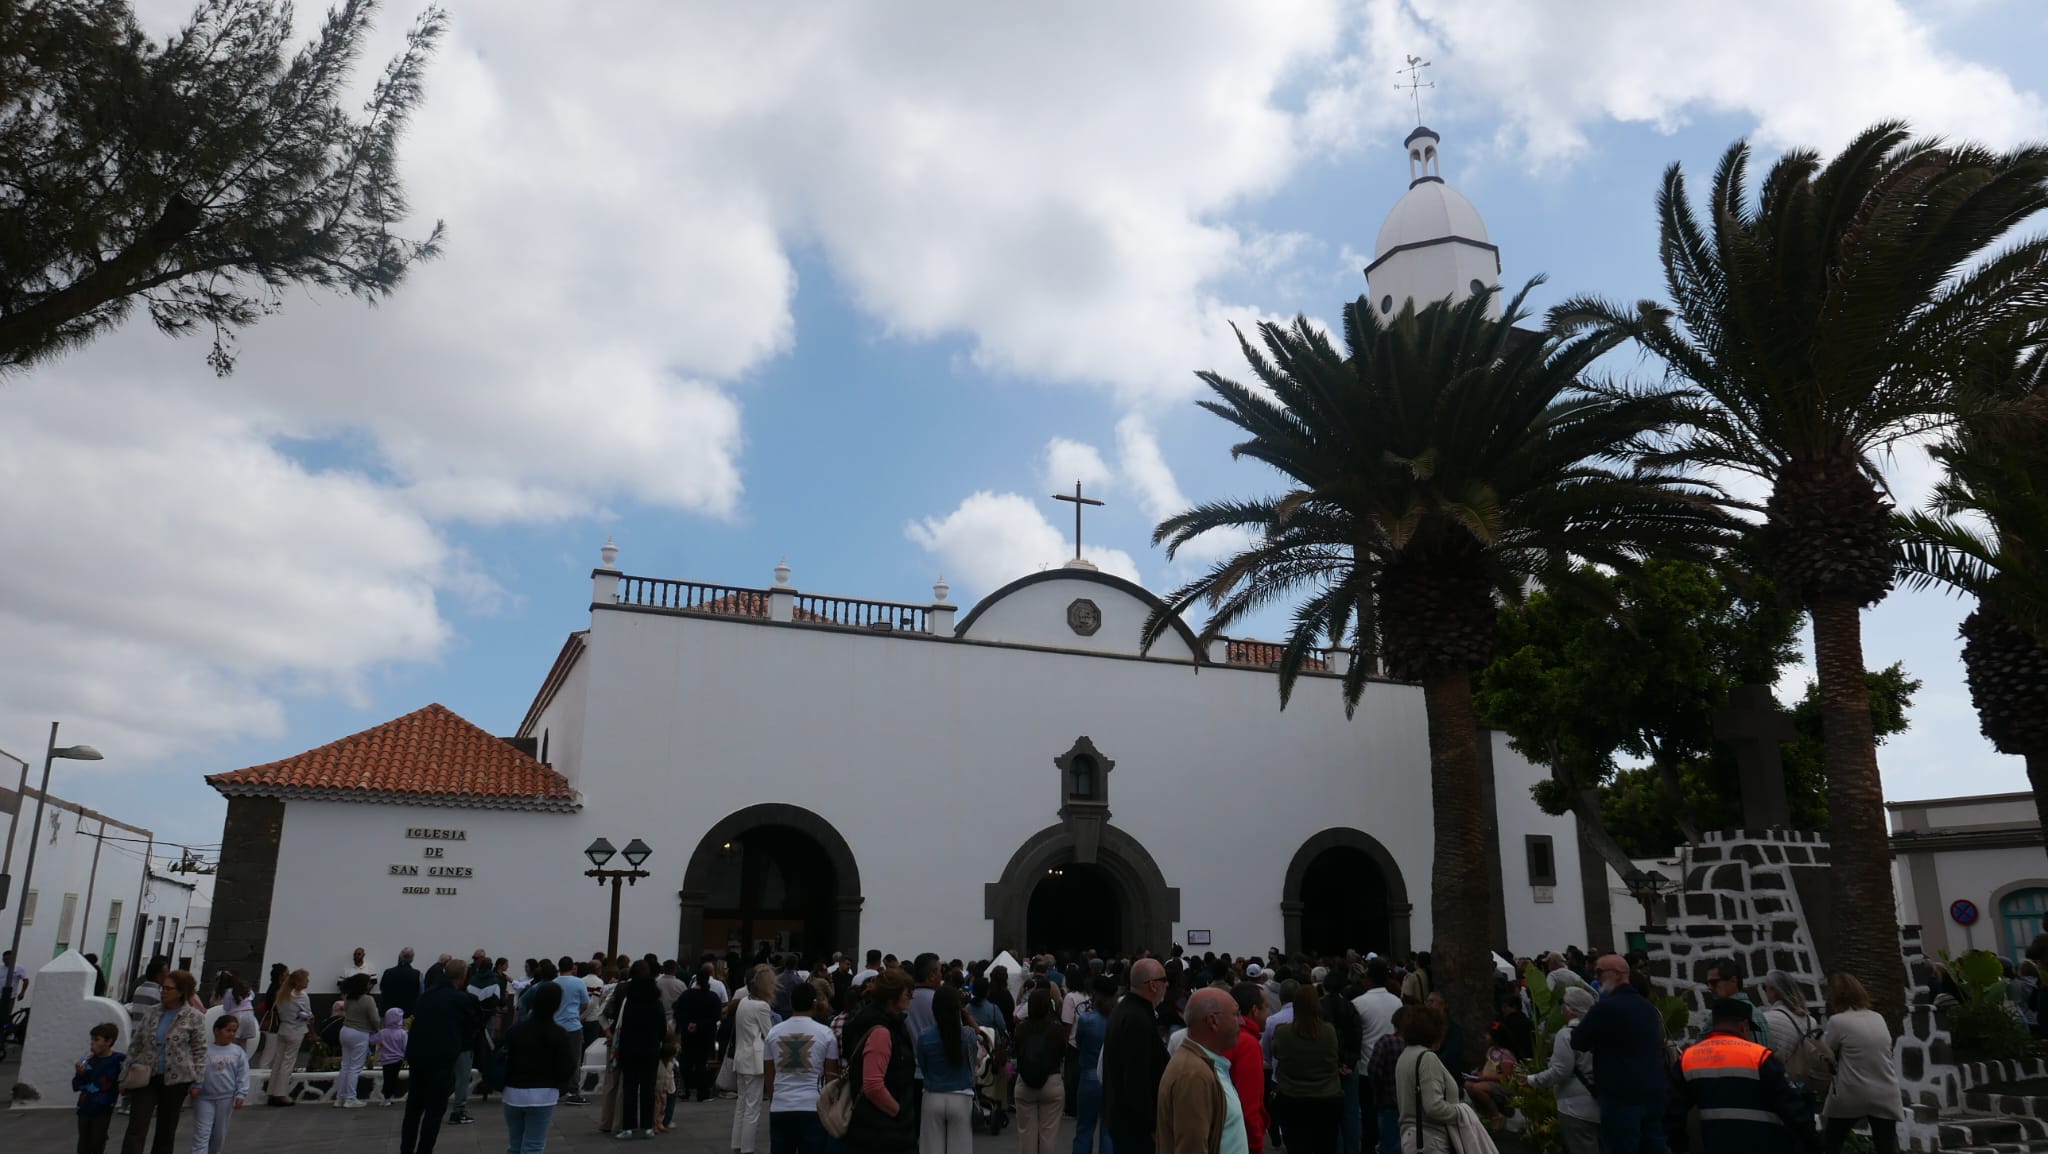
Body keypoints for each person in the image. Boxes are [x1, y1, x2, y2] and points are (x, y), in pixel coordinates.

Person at [1678, 998, 1813, 1153]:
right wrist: (1813, 1143)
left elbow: (1673, 1111)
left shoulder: (1688, 1058)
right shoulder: (1760, 1057)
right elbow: (1793, 1108)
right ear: (1743, 1026)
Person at [1569, 954, 1668, 1154]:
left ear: (1617, 974)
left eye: (1599, 972)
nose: (1595, 977)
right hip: (1652, 1092)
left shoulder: (1605, 1008)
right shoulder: (1648, 1008)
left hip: (1620, 1095)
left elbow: (1577, 1040)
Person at [120, 969, 207, 1154]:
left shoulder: (194, 1017)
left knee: (166, 1128)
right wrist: (125, 1072)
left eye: (169, 989)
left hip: (176, 1079)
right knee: (137, 1124)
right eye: (163, 988)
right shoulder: (152, 1012)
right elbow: (136, 1044)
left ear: (181, 992)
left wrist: (198, 1080)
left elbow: (199, 1050)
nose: (163, 992)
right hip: (146, 1075)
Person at [1155, 987, 1247, 1154]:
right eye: (1236, 1014)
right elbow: (1191, 1148)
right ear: (1213, 1021)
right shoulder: (1193, 1075)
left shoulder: (1203, 1065)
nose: (1242, 1022)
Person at [1820, 973, 1902, 1154]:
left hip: (1853, 1091)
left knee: (1832, 1141)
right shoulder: (1877, 1017)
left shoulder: (1837, 1021)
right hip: (1886, 1090)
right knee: (1886, 1144)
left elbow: (1826, 1052)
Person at [401, 960, 475, 1154]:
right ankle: (424, 1150)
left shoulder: (426, 996)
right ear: (463, 976)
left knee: (414, 1108)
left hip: (418, 1056)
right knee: (434, 1110)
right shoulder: (460, 998)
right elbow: (470, 1028)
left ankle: (406, 1149)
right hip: (441, 1059)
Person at [504, 980, 583, 1154]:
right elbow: (567, 1065)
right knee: (533, 1146)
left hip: (513, 1092)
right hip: (543, 1094)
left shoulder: (516, 1030)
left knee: (514, 1145)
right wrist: (560, 1086)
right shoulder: (558, 1033)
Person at [845, 969, 918, 1154]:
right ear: (893, 996)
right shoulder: (881, 1031)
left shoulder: (879, 1022)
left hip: (878, 1127)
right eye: (907, 992)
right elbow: (873, 1085)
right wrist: (899, 1113)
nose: (911, 997)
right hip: (882, 1130)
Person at [1103, 958, 1170, 1154]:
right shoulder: (1136, 1018)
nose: (1167, 985)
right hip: (1134, 1126)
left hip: (1123, 1118)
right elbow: (1136, 1078)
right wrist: (1150, 1125)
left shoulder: (1126, 1010)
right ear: (1153, 985)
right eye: (1164, 980)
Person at [765, 981, 839, 1154]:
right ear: (815, 1003)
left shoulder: (773, 1033)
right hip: (813, 1106)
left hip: (781, 1106)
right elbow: (831, 1077)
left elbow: (769, 1075)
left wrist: (774, 1100)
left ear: (791, 1003)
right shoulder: (826, 1034)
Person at [1525, 986, 1599, 1154]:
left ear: (1571, 1010)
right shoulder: (1601, 1030)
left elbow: (1560, 1071)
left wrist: (1532, 1079)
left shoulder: (1566, 1034)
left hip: (1574, 1106)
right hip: (1601, 1100)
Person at [1270, 983, 1341, 1154]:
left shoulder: (1283, 1032)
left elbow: (1276, 1053)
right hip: (1326, 1097)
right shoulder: (1329, 1031)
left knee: (1296, 1146)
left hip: (1292, 1097)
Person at [915, 984, 979, 1154]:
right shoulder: (968, 1035)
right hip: (961, 1097)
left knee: (930, 1148)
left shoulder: (925, 1036)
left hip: (933, 1095)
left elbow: (923, 1065)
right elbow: (973, 1061)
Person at [612, 961, 672, 1140]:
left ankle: (628, 1127)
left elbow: (623, 1026)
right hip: (651, 1049)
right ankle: (648, 1126)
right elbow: (663, 1029)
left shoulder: (630, 1002)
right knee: (648, 1088)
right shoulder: (656, 1003)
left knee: (629, 1088)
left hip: (630, 1049)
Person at [1393, 1004, 1457, 1154]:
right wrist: (1461, 1111)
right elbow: (1433, 1106)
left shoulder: (1406, 1055)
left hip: (1413, 1138)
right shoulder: (1427, 1058)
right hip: (1430, 1139)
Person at [448, 959, 503, 1125]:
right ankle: (458, 1110)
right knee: (462, 1076)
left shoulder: (470, 984)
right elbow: (494, 1001)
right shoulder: (493, 982)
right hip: (466, 1040)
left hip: (446, 1041)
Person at [732, 964, 777, 1154]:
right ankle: (747, 1148)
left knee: (742, 1106)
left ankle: (738, 1145)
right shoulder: (762, 1006)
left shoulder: (743, 1002)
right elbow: (770, 1035)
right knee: (753, 1108)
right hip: (754, 1059)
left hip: (741, 1057)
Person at [188, 1016, 251, 1154]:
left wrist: (241, 1093)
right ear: (217, 1031)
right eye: (228, 1030)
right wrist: (193, 1085)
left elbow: (243, 1074)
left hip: (226, 1099)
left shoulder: (238, 1051)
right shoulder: (204, 1050)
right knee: (202, 1134)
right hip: (204, 1098)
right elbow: (195, 1069)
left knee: (219, 1135)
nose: (232, 1034)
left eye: (234, 1031)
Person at [1072, 976, 1116, 1154]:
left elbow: (1079, 1043)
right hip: (1111, 1077)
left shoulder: (1086, 1020)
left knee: (1084, 1128)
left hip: (1089, 1074)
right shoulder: (1117, 1019)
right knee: (1107, 1130)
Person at [1223, 984, 1268, 1154]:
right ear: (1255, 1010)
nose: (1268, 1014)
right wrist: (1256, 1145)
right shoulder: (1248, 1043)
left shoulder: (1227, 1035)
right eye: (1266, 1008)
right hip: (1242, 1140)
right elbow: (1249, 1104)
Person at [262, 969, 312, 1107]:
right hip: (296, 1031)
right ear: (299, 982)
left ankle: (272, 1091)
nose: (308, 981)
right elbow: (308, 1014)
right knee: (287, 1063)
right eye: (306, 979)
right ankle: (281, 1094)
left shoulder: (282, 994)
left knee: (278, 1062)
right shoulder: (302, 996)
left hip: (283, 1029)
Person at [74, 1021, 126, 1154]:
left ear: (108, 1042)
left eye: (97, 1040)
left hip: (103, 1108)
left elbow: (123, 1079)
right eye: (92, 1039)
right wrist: (80, 1074)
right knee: (83, 1141)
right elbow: (76, 1085)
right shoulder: (88, 1061)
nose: (92, 1043)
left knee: (98, 1140)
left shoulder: (117, 1060)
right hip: (85, 1106)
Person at [335, 972, 381, 1108]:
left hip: (345, 1030)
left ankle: (340, 1098)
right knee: (355, 1067)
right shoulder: (368, 1000)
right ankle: (351, 1098)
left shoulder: (349, 997)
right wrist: (377, 1029)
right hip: (360, 1033)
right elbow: (374, 1019)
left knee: (345, 1065)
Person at [1363, 1006, 1405, 1154]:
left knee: (1388, 1145)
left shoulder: (1386, 1042)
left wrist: (1378, 1092)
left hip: (1388, 1103)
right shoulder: (1418, 1046)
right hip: (1411, 1106)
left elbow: (1373, 1070)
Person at [677, 970, 724, 1103]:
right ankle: (702, 1092)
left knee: (686, 1062)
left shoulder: (686, 995)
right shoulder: (713, 997)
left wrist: (688, 1024)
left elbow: (679, 1012)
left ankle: (686, 1089)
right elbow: (716, 1016)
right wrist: (700, 1024)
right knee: (701, 1063)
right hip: (706, 1034)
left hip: (688, 1034)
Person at [549, 957, 591, 1103]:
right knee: (574, 1058)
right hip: (573, 1025)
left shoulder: (553, 983)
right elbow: (586, 1004)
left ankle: (556, 1088)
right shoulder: (578, 982)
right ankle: (573, 1091)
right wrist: (577, 1014)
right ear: (573, 967)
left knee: (555, 1058)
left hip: (555, 1025)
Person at [1703, 958, 1772, 1043]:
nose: (1709, 987)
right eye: (1707, 983)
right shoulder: (1759, 1015)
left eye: (1714, 982)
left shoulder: (1720, 1017)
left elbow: (1700, 1050)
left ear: (1733, 981)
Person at [1462, 1022, 1517, 1128]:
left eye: (1488, 1035)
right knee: (1468, 1085)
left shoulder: (1505, 1054)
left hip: (1503, 1085)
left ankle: (1496, 1115)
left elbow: (1505, 1076)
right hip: (1492, 1080)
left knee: (1477, 1088)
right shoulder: (1491, 1051)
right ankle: (1484, 1111)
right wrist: (1480, 1074)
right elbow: (1497, 1069)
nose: (1485, 1037)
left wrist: (1485, 1077)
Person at [373, 1007, 410, 1105]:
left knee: (387, 1078)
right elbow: (406, 1047)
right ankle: (388, 1098)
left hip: (386, 1060)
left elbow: (372, 1040)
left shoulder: (383, 1032)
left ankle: (386, 1098)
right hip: (398, 1060)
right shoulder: (403, 1033)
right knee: (393, 1078)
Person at [383, 948, 423, 1019]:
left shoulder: (387, 972)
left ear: (399, 957)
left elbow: (382, 988)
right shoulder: (417, 974)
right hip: (408, 1014)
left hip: (389, 1013)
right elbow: (421, 993)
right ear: (412, 959)